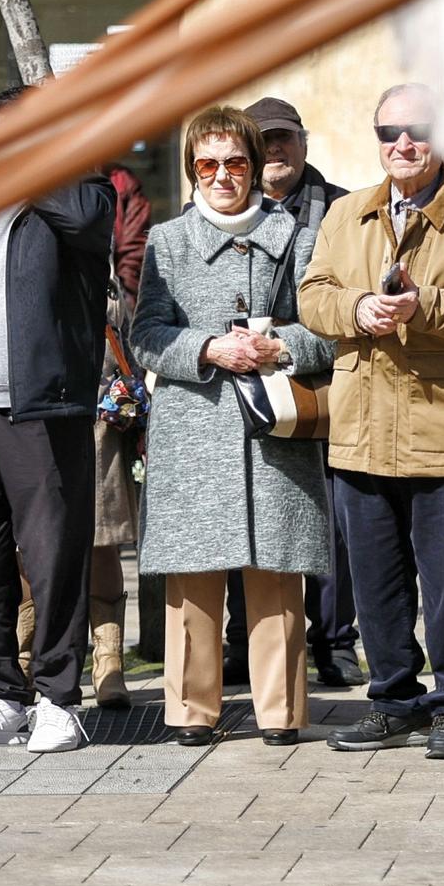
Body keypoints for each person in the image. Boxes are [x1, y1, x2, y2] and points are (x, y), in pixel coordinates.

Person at [298, 83, 444, 759]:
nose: (403, 143)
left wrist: (425, 305)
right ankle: (393, 698)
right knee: (375, 579)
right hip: (362, 429)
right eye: (389, 131)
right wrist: (357, 309)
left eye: (418, 130)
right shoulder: (344, 216)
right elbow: (313, 295)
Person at [131, 107, 335, 746]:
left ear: (255, 166)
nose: (222, 176)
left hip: (273, 430)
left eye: (235, 163)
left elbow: (328, 330)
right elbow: (146, 335)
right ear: (193, 170)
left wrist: (281, 348)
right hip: (194, 428)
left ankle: (280, 713)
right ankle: (192, 711)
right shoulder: (168, 240)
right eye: (207, 164)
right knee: (193, 576)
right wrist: (207, 349)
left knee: (278, 576)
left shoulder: (300, 237)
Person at [0, 83, 115, 754]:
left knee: (53, 554)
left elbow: (96, 225)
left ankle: (60, 699)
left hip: (39, 406)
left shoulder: (81, 191)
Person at [239, 95, 365, 689]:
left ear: (304, 142)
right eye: (264, 140)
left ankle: (335, 642)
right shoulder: (226, 210)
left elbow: (356, 297)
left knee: (334, 519)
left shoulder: (343, 210)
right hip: (245, 382)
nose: (276, 149)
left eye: (285, 137)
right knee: (252, 513)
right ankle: (246, 641)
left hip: (327, 378)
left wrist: (290, 342)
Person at [89, 159, 151, 710]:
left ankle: (109, 661)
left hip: (100, 399)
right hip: (30, 399)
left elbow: (128, 254)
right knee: (27, 541)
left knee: (101, 533)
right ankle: (29, 654)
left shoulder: (111, 183)